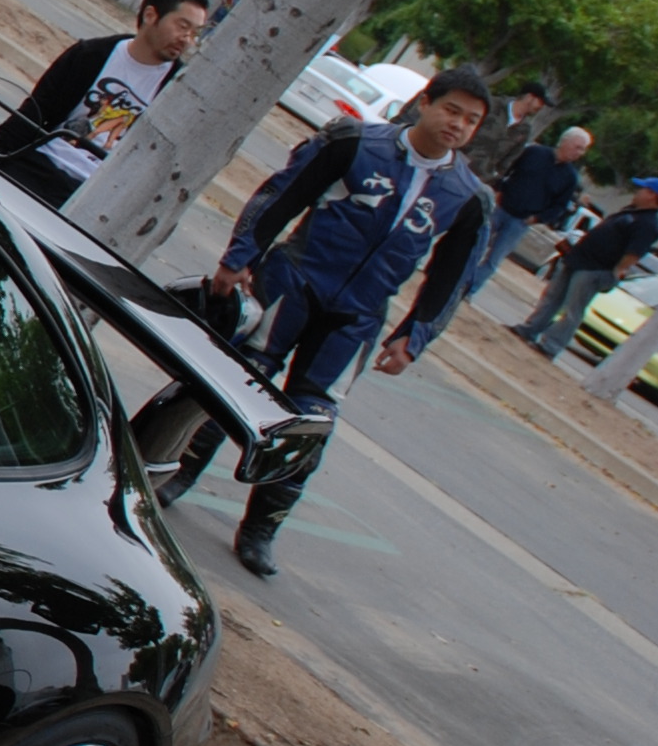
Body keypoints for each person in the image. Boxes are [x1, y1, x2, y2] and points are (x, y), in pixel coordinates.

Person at [164, 67, 495, 577]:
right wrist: (241, 256)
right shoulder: (353, 141)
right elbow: (283, 193)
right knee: (236, 382)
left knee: (311, 423)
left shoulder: (470, 197)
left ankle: (261, 529)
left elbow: (453, 277)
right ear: (425, 102)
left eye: (471, 120)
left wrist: (414, 336)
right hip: (292, 283)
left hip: (357, 317)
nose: (458, 124)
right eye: (451, 110)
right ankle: (176, 473)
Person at [0, 0, 212, 205]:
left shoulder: (178, 89)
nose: (187, 40)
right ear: (150, 15)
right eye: (182, 26)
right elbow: (38, 108)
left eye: (195, 33)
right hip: (38, 162)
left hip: (93, 196)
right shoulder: (90, 54)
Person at [416, 123, 589, 343]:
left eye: (583, 150)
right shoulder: (535, 153)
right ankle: (443, 275)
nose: (579, 153)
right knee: (470, 243)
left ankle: (467, 291)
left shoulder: (569, 178)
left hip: (521, 221)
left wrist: (537, 218)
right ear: (565, 142)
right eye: (577, 147)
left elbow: (559, 206)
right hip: (501, 207)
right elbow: (509, 169)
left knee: (493, 259)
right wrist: (498, 190)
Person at [515, 178, 658, 357]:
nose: (637, 192)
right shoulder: (630, 211)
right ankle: (530, 329)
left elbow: (634, 253)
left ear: (652, 195)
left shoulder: (648, 224)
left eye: (642, 189)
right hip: (579, 260)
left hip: (595, 268)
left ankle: (550, 346)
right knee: (553, 297)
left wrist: (617, 271)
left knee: (573, 310)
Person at [462, 85, 556, 191]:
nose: (541, 107)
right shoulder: (493, 105)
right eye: (541, 102)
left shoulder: (524, 130)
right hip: (458, 163)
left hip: (479, 181)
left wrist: (494, 178)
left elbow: (509, 161)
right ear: (529, 97)